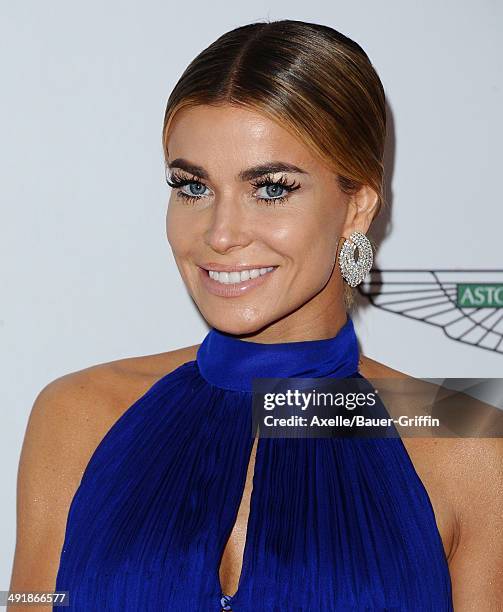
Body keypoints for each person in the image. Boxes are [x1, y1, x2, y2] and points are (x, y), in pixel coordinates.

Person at [9, 18, 502, 612]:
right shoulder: (76, 415)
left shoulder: (466, 438)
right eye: (192, 187)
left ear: (357, 207)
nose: (219, 234)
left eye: (270, 189)